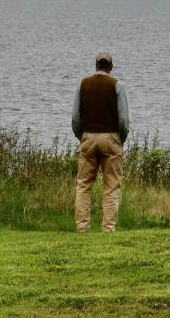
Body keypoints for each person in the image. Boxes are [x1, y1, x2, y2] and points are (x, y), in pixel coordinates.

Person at [72, 51, 130, 232]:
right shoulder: (117, 86)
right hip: (111, 139)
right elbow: (123, 120)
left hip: (88, 138)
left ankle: (82, 229)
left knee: (83, 185)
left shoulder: (83, 84)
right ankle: (108, 229)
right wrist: (121, 139)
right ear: (110, 67)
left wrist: (81, 136)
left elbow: (75, 117)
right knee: (111, 186)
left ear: (96, 65)